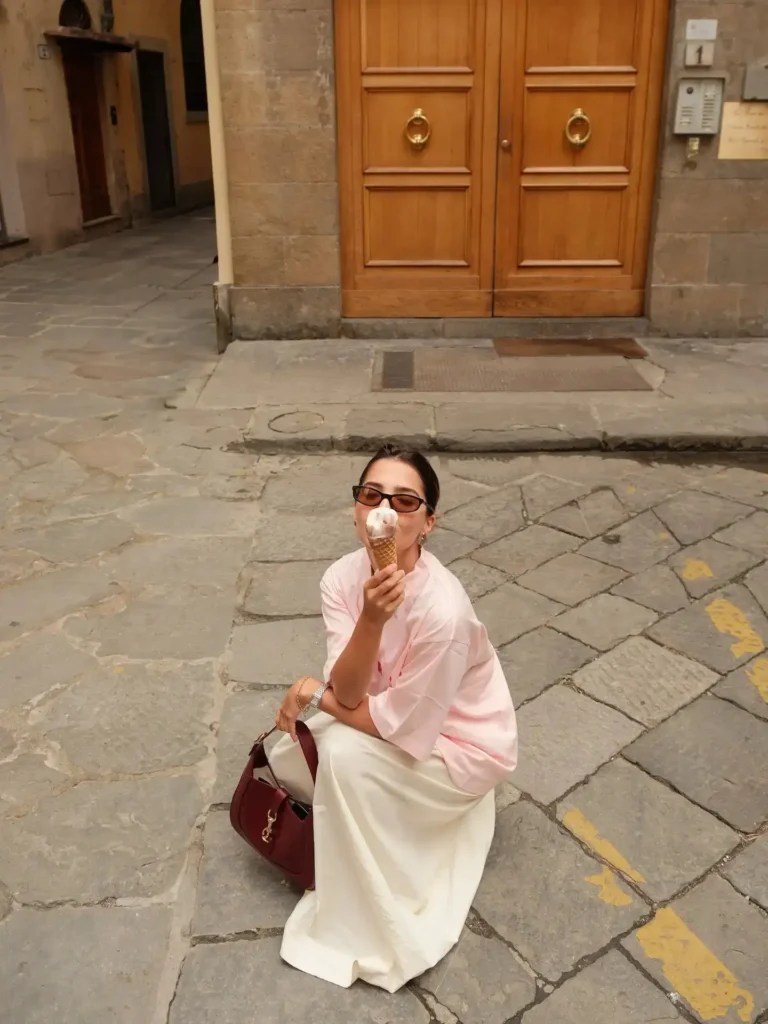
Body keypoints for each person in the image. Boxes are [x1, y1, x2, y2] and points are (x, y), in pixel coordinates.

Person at [268, 443, 518, 993]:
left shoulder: (444, 612)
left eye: (406, 501)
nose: (386, 509)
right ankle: (381, 817)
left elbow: (390, 727)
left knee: (340, 755)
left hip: (457, 748)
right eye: (371, 495)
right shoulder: (342, 577)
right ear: (356, 510)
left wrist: (311, 692)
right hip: (386, 714)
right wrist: (373, 620)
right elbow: (353, 689)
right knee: (289, 748)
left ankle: (375, 895)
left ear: (428, 522)